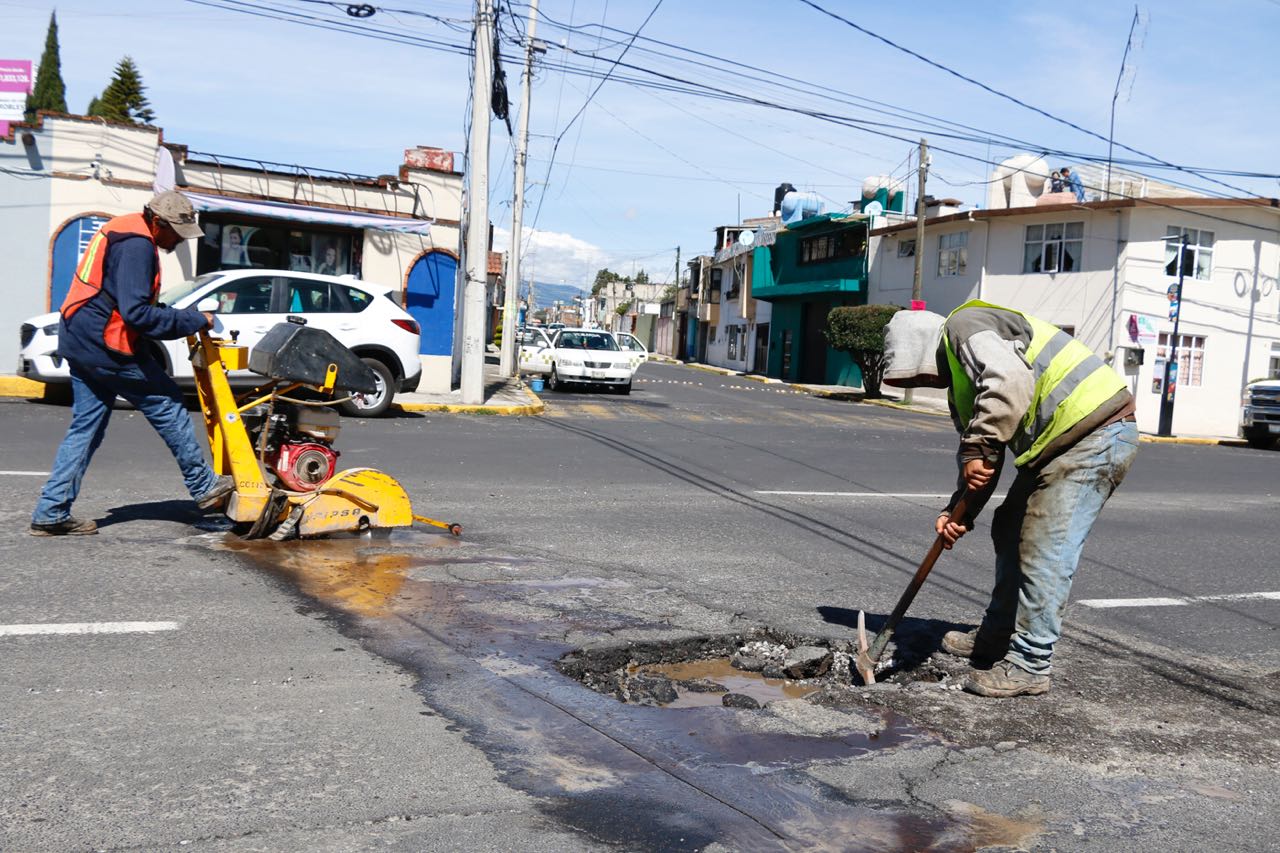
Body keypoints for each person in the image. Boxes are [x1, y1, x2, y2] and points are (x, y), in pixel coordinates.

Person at [882, 301, 1137, 697]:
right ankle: (997, 636)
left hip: (1095, 433)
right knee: (1009, 527)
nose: (926, 382)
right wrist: (959, 511)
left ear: (923, 351)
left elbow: (1009, 384)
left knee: (1043, 546)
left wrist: (977, 448)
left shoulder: (964, 326)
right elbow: (985, 458)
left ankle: (1030, 664)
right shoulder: (964, 381)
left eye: (919, 374)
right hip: (1058, 444)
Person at [30, 191, 233, 536]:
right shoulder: (137, 245)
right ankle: (203, 486)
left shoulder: (124, 229)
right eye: (176, 232)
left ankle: (51, 511)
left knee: (86, 429)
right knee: (168, 402)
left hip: (81, 338)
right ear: (157, 222)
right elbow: (137, 314)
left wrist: (185, 315)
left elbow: (131, 302)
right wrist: (194, 321)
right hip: (104, 343)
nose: (179, 240)